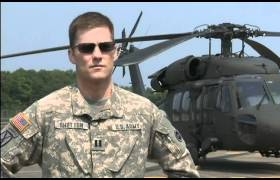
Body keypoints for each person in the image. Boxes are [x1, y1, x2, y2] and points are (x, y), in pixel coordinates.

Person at [0, 12, 199, 178]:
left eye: (105, 47)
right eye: (87, 48)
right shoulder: (45, 111)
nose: (97, 54)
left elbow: (184, 169)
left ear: (116, 53)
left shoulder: (145, 113)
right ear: (71, 55)